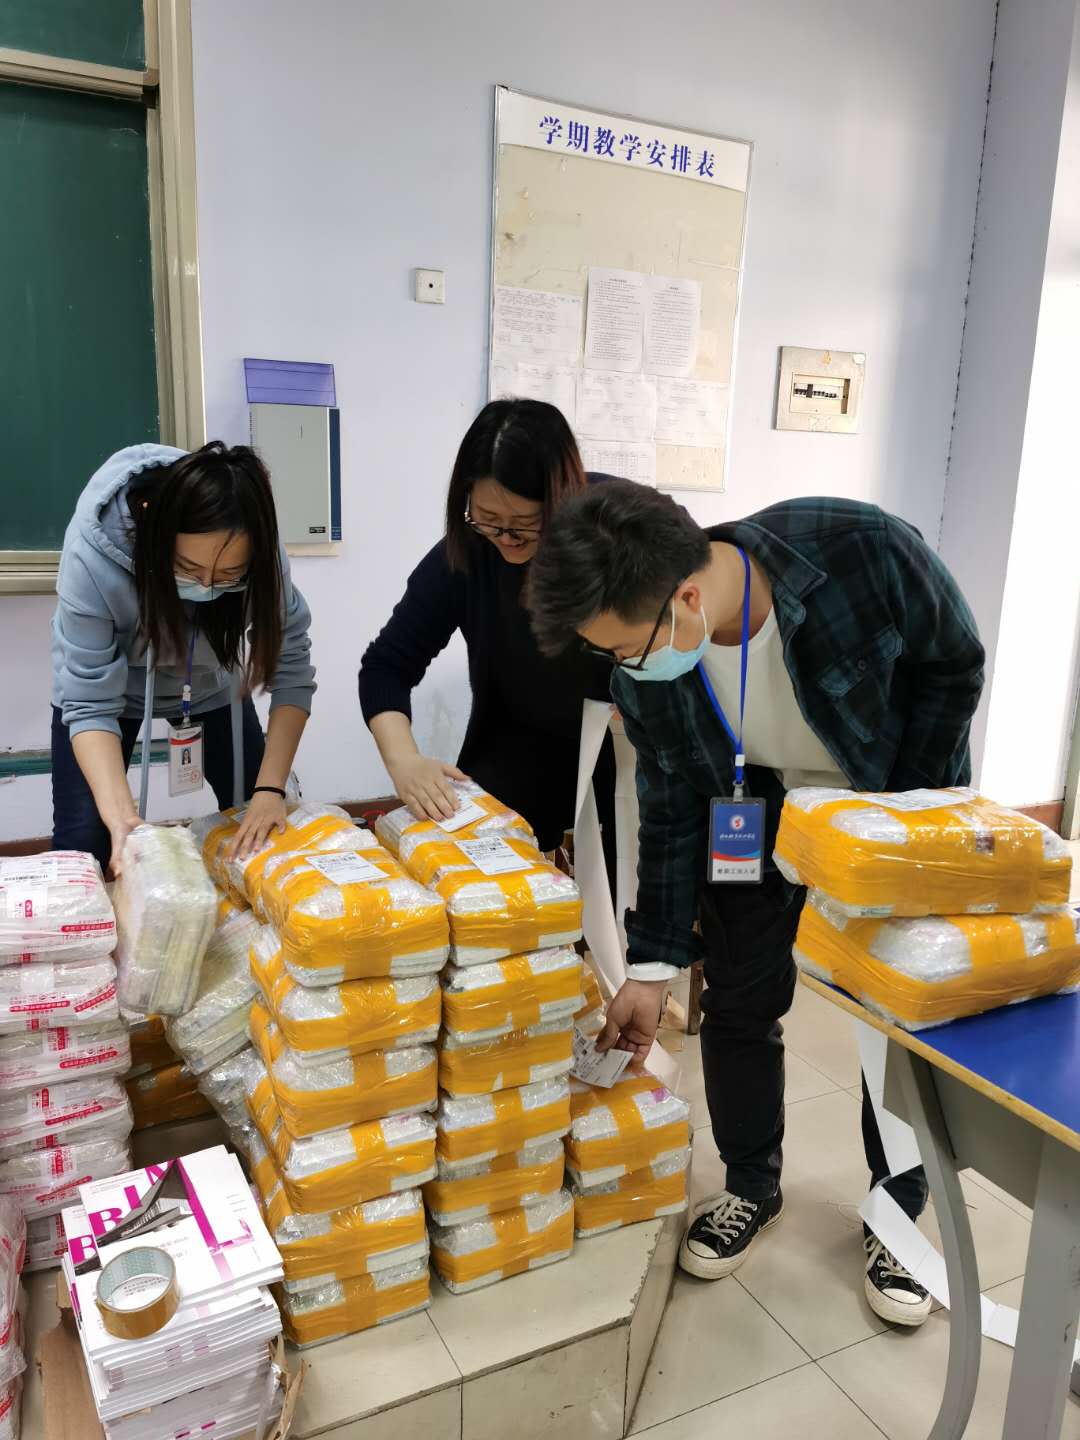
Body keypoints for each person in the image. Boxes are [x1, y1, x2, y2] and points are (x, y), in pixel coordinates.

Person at [525, 479, 985, 1328]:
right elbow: (668, 807)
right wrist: (652, 968)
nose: (625, 670)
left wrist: (903, 814)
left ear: (686, 598)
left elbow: (955, 662)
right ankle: (750, 1185)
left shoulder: (856, 550)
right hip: (755, 820)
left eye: (624, 649)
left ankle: (897, 1219)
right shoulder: (653, 672)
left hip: (886, 806)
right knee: (738, 998)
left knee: (895, 1020)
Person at [359, 399, 616, 879]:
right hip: (511, 751)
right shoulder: (467, 552)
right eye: (488, 518)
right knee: (494, 898)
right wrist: (404, 760)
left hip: (621, 754)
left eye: (525, 523)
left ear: (561, 499)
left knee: (620, 904)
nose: (506, 537)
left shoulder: (617, 528)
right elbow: (385, 667)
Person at [51, 441, 317, 875]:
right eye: (188, 569)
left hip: (210, 687)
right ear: (157, 536)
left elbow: (293, 672)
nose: (207, 587)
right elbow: (89, 702)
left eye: (230, 576)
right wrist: (121, 819)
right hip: (106, 698)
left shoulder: (265, 560)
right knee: (86, 841)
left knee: (261, 826)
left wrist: (271, 790)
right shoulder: (91, 555)